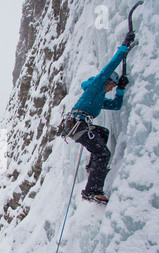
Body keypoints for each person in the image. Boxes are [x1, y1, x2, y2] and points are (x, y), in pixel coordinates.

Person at [61, 31, 135, 204]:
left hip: (79, 125)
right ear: (107, 81)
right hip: (77, 125)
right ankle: (91, 191)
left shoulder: (98, 98)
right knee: (103, 153)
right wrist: (124, 46)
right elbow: (109, 67)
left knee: (103, 133)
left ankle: (91, 168)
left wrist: (121, 89)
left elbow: (115, 105)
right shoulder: (96, 87)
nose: (111, 89)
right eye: (112, 85)